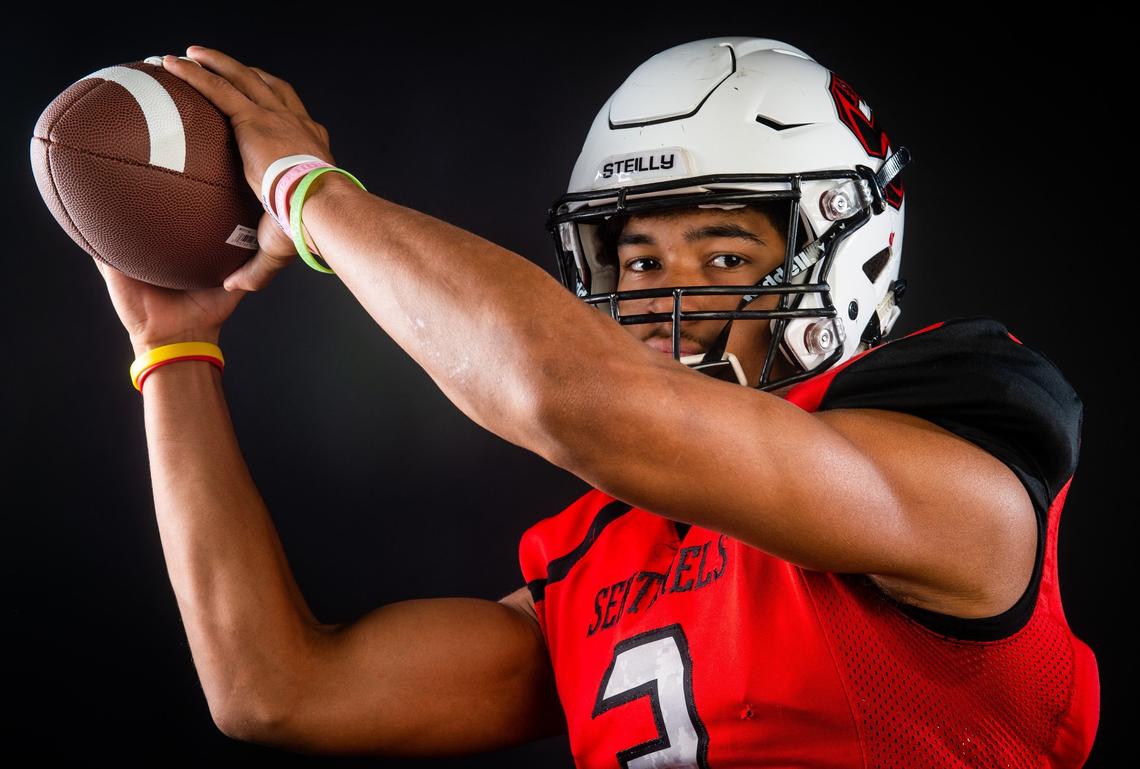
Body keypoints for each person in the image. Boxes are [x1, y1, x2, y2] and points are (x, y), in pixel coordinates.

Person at [90, 38, 1099, 766]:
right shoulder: (603, 560)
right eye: (639, 256)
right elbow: (277, 692)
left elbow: (574, 400)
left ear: (848, 250)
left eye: (725, 252)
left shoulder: (958, 464)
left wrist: (313, 197)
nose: (667, 294)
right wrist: (173, 349)